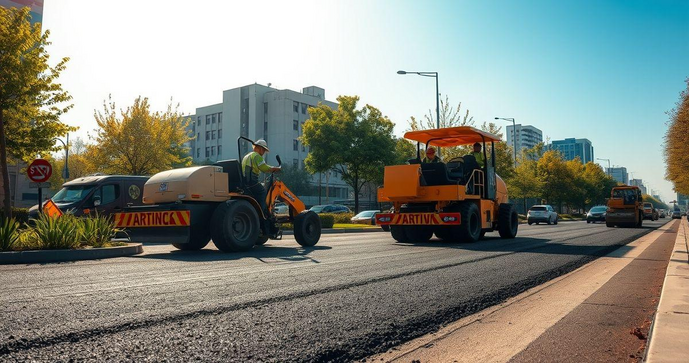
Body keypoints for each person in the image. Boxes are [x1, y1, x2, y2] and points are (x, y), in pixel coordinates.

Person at [241, 139, 281, 215]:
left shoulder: (247, 156)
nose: (263, 152)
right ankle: (263, 214)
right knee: (263, 192)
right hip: (252, 182)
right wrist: (275, 168)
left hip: (245, 182)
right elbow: (264, 168)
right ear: (259, 147)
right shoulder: (257, 156)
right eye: (263, 150)